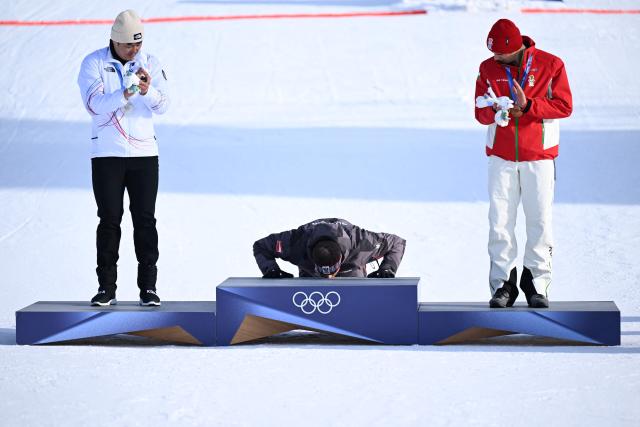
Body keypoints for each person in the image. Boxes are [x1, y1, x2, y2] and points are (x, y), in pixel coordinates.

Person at [474, 19, 572, 308]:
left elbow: (565, 106)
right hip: (501, 158)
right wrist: (496, 111)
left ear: (515, 48)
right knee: (500, 222)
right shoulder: (487, 68)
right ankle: (503, 284)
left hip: (539, 157)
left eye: (500, 55)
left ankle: (536, 283)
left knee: (539, 222)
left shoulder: (551, 65)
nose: (495, 59)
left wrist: (528, 106)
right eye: (492, 54)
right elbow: (479, 112)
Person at [78, 10, 170, 306]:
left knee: (145, 221)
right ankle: (107, 288)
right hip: (107, 154)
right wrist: (127, 92)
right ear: (115, 41)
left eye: (139, 44)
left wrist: (147, 90)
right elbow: (94, 105)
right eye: (129, 45)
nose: (135, 51)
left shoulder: (150, 62)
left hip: (144, 154)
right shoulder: (94, 63)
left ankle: (149, 288)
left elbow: (164, 104)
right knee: (109, 220)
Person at [253, 218, 406, 278]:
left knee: (353, 278)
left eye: (331, 271)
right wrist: (270, 269)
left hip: (350, 268)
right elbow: (261, 246)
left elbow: (397, 243)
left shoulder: (363, 243)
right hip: (310, 274)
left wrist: (387, 269)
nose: (328, 277)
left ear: (340, 259)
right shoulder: (295, 244)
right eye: (323, 271)